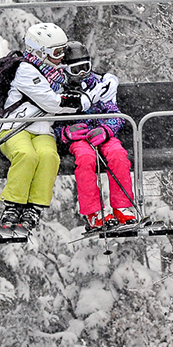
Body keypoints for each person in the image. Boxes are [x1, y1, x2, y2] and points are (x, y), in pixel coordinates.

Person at [0, 22, 83, 236]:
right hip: (15, 128)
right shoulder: (26, 70)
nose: (61, 57)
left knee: (48, 156)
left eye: (63, 50)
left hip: (42, 129)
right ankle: (12, 207)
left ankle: (33, 208)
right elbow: (49, 101)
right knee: (26, 155)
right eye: (56, 52)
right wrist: (68, 102)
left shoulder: (56, 73)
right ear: (40, 53)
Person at [58, 41, 138, 231]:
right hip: (79, 138)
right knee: (86, 159)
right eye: (75, 69)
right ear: (65, 69)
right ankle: (94, 212)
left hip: (102, 134)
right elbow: (52, 121)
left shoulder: (101, 85)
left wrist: (106, 130)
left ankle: (122, 207)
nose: (81, 73)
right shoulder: (59, 90)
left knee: (118, 155)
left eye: (85, 67)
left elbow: (114, 114)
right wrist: (66, 133)